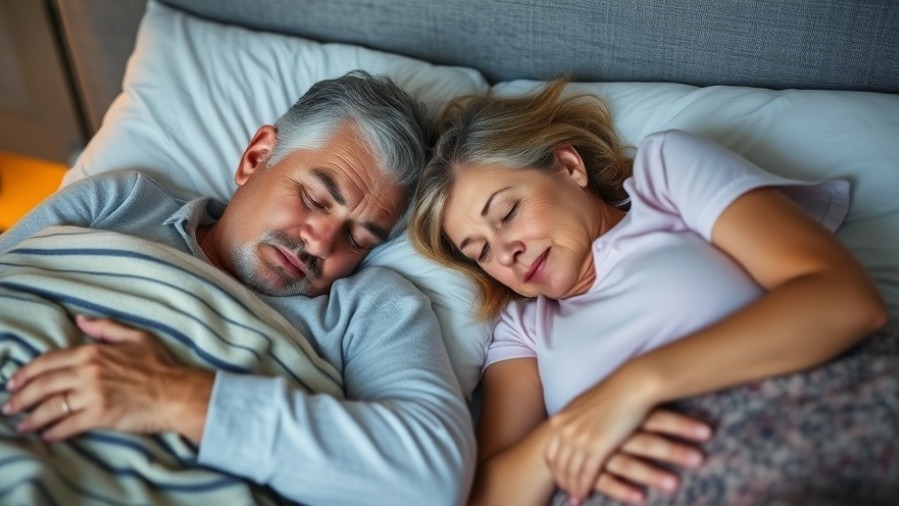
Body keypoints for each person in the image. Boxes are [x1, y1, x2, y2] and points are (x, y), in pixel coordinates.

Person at [409, 79, 891, 505]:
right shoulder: (524, 330)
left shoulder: (666, 179)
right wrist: (561, 437)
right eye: (481, 252)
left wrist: (633, 387)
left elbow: (843, 300)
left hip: (798, 431)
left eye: (508, 212)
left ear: (568, 166)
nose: (505, 252)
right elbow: (491, 496)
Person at [0, 70, 471, 505]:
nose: (320, 242)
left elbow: (431, 472)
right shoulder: (122, 201)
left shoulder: (368, 308)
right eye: (314, 198)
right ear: (257, 156)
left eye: (357, 237)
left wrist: (174, 396)